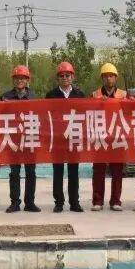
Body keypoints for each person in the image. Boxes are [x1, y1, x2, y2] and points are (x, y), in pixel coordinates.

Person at [45, 61, 86, 212]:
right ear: (58, 78)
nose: (64, 78)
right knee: (58, 171)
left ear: (72, 77)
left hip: (74, 138)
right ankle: (59, 202)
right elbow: (46, 116)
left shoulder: (80, 95)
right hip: (58, 139)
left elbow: (85, 116)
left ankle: (74, 202)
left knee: (74, 171)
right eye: (61, 75)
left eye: (67, 75)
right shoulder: (51, 95)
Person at [1, 64, 40, 213]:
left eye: (22, 78)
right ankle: (15, 202)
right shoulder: (5, 97)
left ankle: (30, 202)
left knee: (31, 172)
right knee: (14, 172)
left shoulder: (34, 97)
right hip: (13, 139)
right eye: (17, 78)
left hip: (30, 138)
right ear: (13, 80)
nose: (19, 81)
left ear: (27, 80)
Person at [90, 62, 126, 211]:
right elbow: (89, 114)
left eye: (111, 76)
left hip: (117, 136)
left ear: (116, 78)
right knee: (98, 170)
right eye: (105, 76)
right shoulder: (95, 95)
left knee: (117, 170)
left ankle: (116, 201)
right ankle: (97, 201)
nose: (108, 79)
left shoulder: (123, 95)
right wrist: (100, 104)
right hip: (100, 137)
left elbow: (129, 113)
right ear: (102, 78)